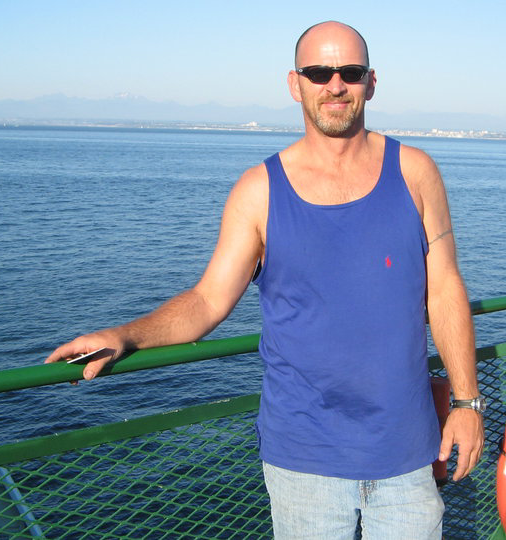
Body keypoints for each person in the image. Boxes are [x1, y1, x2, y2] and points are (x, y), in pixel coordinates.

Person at [45, 20, 484, 539]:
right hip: (304, 459)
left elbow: (445, 289)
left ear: (371, 82)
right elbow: (208, 300)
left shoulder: (415, 173)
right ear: (295, 84)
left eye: (350, 72)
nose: (335, 85)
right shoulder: (259, 192)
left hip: (407, 451)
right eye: (319, 73)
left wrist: (466, 403)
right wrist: (125, 336)